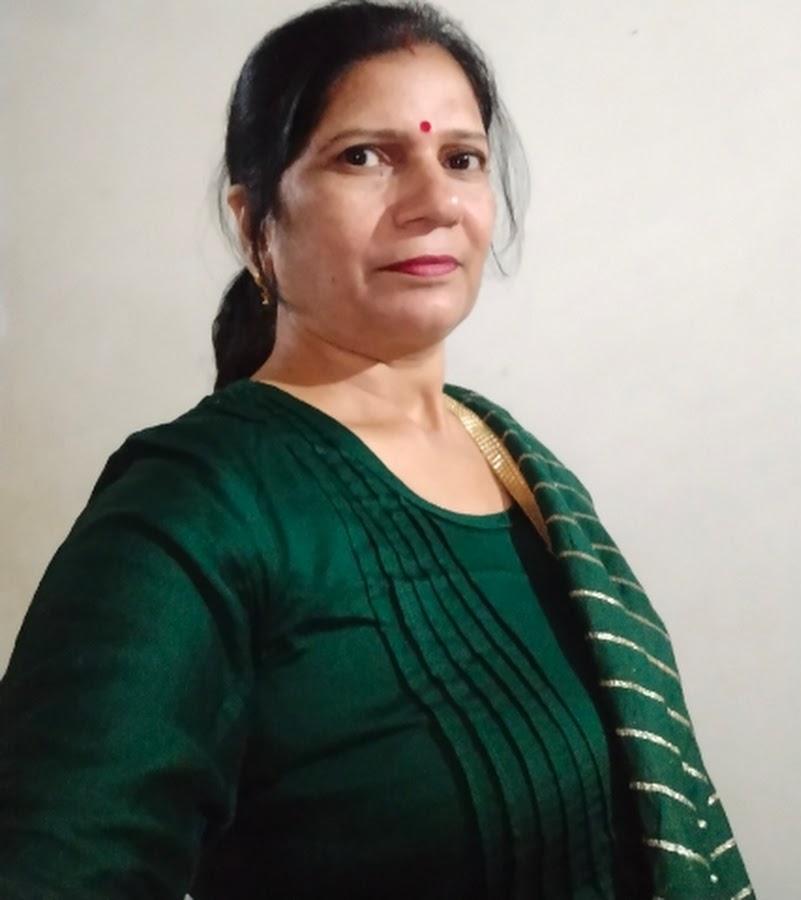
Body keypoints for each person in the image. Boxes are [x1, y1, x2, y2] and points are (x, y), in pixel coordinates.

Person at [0, 2, 754, 898]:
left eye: (461, 159)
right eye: (364, 156)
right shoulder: (196, 507)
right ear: (254, 222)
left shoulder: (515, 462)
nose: (434, 203)